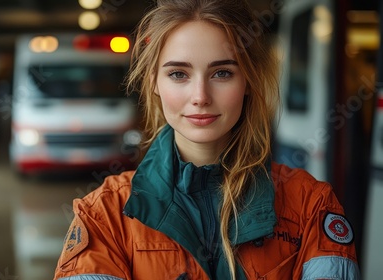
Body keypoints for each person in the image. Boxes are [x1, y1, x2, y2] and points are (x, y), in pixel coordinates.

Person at [53, 0, 360, 279]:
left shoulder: (311, 206)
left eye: (222, 73)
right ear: (154, 82)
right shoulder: (104, 215)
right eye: (178, 74)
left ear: (248, 81)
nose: (200, 97)